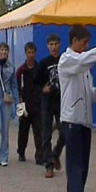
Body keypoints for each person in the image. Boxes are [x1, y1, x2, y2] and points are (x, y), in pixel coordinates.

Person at [58, 25, 96, 192]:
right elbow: (82, 61)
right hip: (72, 122)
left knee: (82, 169)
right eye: (84, 42)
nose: (86, 47)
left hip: (84, 123)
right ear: (74, 41)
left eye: (88, 43)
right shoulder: (67, 60)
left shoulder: (84, 70)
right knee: (76, 170)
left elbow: (90, 96)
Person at [35, 33, 65, 178]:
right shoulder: (43, 63)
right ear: (47, 46)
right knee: (46, 134)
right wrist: (42, 89)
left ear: (60, 45)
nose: (54, 47)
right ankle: (49, 164)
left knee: (65, 132)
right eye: (51, 44)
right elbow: (35, 83)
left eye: (56, 44)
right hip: (47, 102)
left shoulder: (65, 60)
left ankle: (55, 154)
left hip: (61, 101)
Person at [16, 42, 43, 164]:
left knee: (39, 132)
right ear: (25, 53)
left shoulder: (40, 69)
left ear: (35, 53)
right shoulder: (21, 71)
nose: (31, 55)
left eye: (33, 52)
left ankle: (40, 155)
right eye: (29, 53)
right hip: (25, 104)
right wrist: (20, 99)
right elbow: (17, 86)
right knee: (23, 131)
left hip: (37, 104)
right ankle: (21, 152)